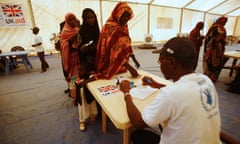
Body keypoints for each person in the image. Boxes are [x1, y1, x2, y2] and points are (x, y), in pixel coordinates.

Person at [119, 37, 221, 144]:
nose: (160, 64)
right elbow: (183, 94)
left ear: (171, 62)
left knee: (138, 134)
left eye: (161, 60)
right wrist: (157, 85)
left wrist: (126, 92)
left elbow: (138, 123)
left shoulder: (170, 94)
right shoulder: (205, 80)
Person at [95, 2, 140, 80]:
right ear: (117, 14)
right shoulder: (110, 27)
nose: (126, 19)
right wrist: (129, 68)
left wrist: (134, 59)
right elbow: (115, 52)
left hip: (122, 65)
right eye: (123, 16)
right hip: (109, 64)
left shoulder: (123, 27)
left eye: (127, 16)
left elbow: (127, 45)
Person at [75, 8, 100, 131]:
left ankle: (94, 112)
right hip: (85, 63)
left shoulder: (97, 29)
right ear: (84, 19)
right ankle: (83, 117)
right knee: (84, 90)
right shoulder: (81, 31)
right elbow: (78, 48)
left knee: (97, 87)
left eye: (92, 17)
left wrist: (95, 47)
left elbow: (101, 46)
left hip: (97, 62)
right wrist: (84, 48)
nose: (91, 20)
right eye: (88, 18)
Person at [60, 13, 81, 102]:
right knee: (74, 78)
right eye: (70, 20)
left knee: (80, 77)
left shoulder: (77, 29)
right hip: (72, 59)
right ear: (67, 21)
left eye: (73, 19)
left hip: (79, 58)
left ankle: (80, 95)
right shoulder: (65, 31)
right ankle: (76, 96)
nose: (72, 21)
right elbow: (63, 45)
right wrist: (70, 41)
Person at [203, 16, 228, 82]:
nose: (225, 23)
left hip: (216, 48)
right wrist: (218, 43)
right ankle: (209, 75)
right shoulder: (216, 28)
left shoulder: (218, 27)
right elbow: (213, 38)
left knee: (214, 62)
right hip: (214, 49)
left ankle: (211, 76)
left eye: (225, 22)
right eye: (224, 21)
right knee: (212, 62)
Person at [75, 62, 98, 131]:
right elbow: (73, 80)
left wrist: (85, 82)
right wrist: (70, 79)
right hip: (81, 99)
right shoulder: (77, 77)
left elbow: (95, 77)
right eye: (78, 70)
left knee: (92, 106)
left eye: (81, 70)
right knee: (82, 110)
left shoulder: (89, 76)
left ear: (87, 71)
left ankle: (92, 115)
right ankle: (82, 121)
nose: (78, 72)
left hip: (89, 97)